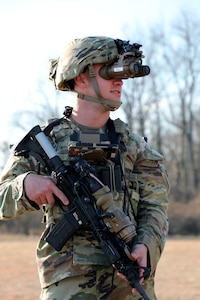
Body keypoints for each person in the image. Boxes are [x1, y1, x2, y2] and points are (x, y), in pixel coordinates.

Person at [0, 36, 169, 300]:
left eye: (122, 73)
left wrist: (145, 244)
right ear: (80, 78)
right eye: (109, 71)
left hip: (131, 285)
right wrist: (25, 184)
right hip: (70, 288)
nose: (119, 81)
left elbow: (155, 207)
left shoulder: (135, 147)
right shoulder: (46, 142)